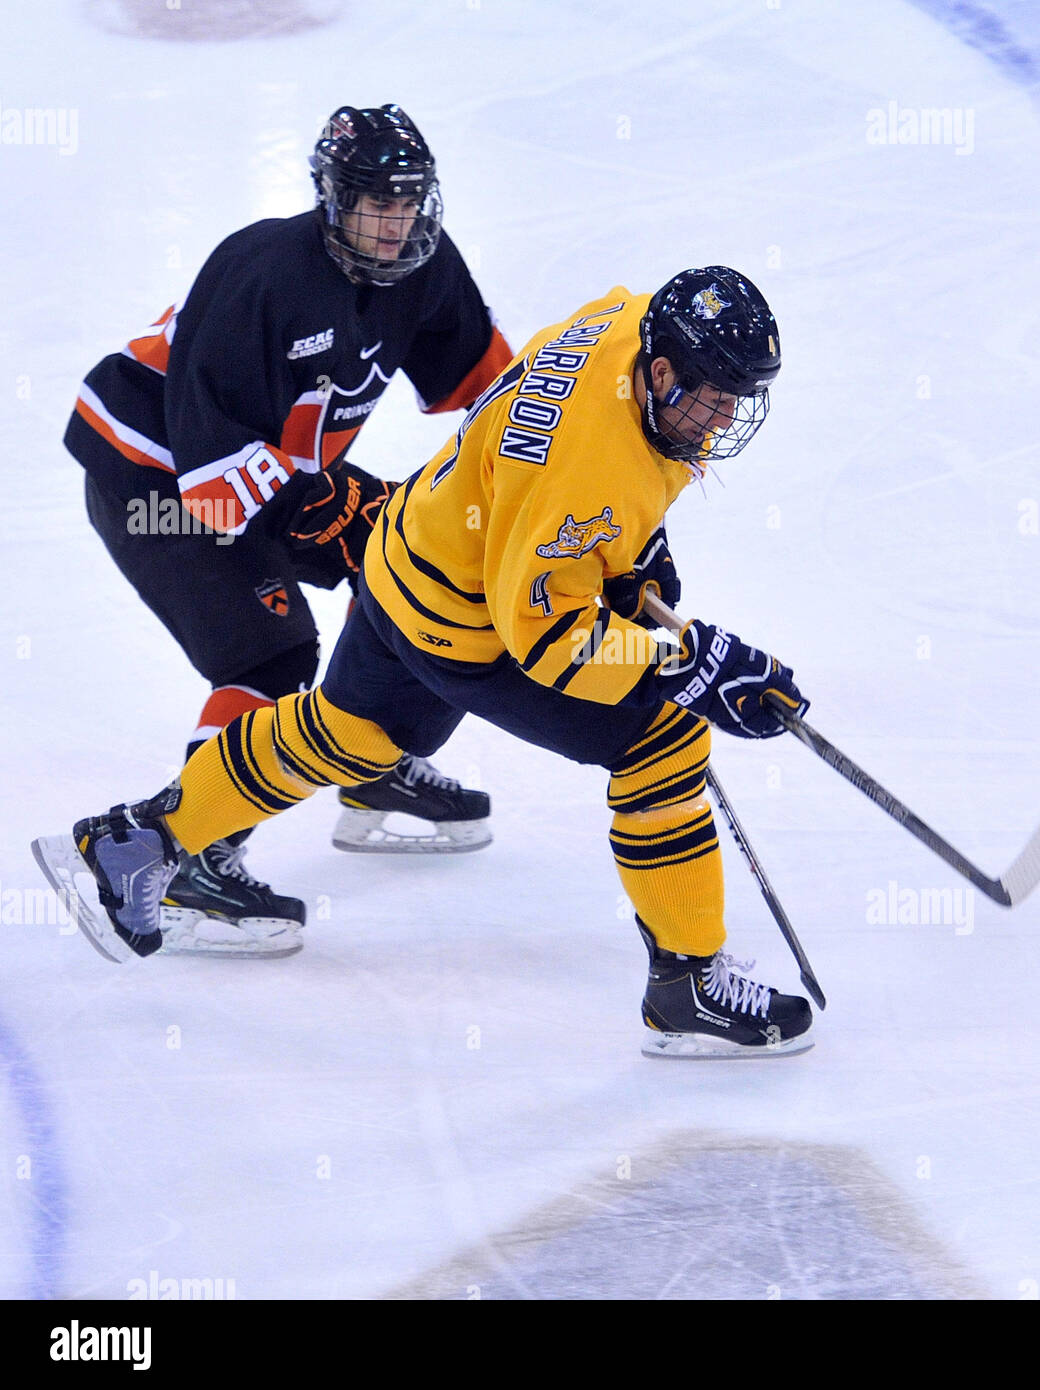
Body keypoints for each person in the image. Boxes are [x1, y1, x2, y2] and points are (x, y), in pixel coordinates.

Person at [35, 266, 815, 1058]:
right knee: (663, 741)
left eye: (738, 398)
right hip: (467, 616)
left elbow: (546, 467)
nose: (722, 419)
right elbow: (550, 644)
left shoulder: (630, 317)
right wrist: (686, 666)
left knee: (347, 736)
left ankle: (139, 841)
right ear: (660, 371)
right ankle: (689, 987)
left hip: (408, 548)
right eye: (713, 393)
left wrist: (629, 562)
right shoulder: (589, 467)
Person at [62, 105, 512, 957]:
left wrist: (554, 487)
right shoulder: (264, 273)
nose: (395, 221)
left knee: (415, 560)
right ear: (331, 199)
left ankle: (369, 765)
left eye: (410, 200)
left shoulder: (424, 265)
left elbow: (498, 396)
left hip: (264, 469)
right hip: (155, 473)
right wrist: (326, 511)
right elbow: (211, 480)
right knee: (268, 656)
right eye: (374, 200)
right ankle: (190, 857)